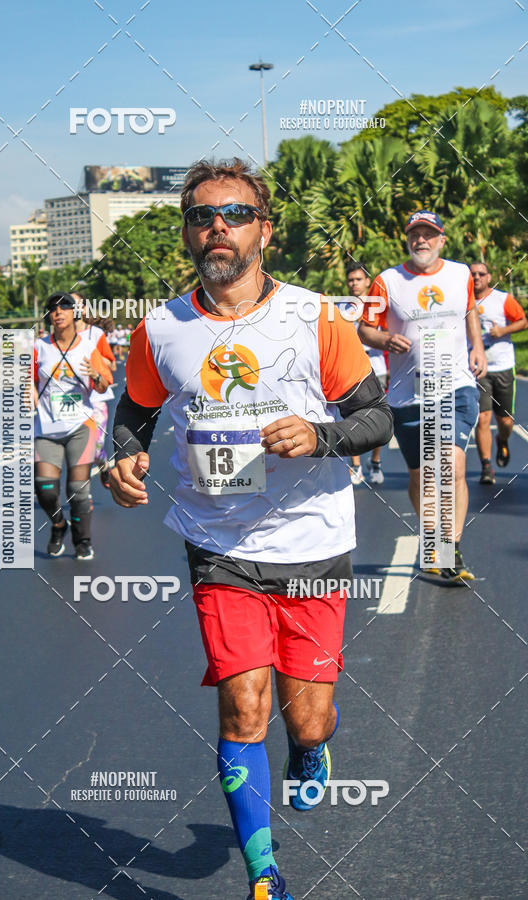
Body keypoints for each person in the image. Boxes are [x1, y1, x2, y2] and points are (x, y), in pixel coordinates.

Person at [110, 159, 393, 900]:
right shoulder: (161, 327)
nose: (219, 228)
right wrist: (123, 459)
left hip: (312, 545)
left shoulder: (314, 318)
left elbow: (376, 418)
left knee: (309, 721)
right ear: (188, 232)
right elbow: (132, 416)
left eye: (236, 214)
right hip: (220, 547)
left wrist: (319, 436)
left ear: (264, 229)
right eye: (204, 215)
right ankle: (264, 876)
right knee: (243, 706)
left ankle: (310, 753)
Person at [359, 210, 487, 583]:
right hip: (407, 393)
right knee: (422, 476)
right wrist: (385, 339)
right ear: (407, 239)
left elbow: (469, 312)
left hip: (456, 383)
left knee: (452, 465)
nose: (422, 241)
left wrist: (477, 346)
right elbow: (365, 329)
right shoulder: (387, 281)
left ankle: (450, 546)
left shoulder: (460, 273)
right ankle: (431, 536)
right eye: (415, 234)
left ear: (441, 240)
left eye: (429, 235)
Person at [33, 292, 110, 560]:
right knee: (45, 489)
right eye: (52, 308)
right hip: (46, 427)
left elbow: (103, 384)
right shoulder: (38, 347)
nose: (58, 312)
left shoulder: (88, 348)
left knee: (77, 491)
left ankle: (82, 540)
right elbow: (28, 380)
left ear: (73, 313)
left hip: (81, 426)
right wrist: (29, 392)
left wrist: (96, 375)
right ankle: (58, 525)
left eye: (64, 307)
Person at [469, 262, 527, 484]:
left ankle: (502, 440)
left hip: (503, 365)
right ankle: (486, 466)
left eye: (481, 274)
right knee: (482, 417)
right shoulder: (464, 301)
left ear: (489, 276)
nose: (477, 278)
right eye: (473, 274)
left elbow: (522, 321)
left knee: (505, 421)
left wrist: (502, 330)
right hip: (477, 368)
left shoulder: (502, 299)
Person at [343, 262, 388, 485]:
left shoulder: (378, 306)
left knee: (379, 419)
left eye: (358, 279)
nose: (354, 284)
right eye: (351, 280)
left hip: (377, 368)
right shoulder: (341, 307)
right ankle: (356, 466)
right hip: (352, 371)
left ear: (367, 281)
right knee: (354, 419)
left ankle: (376, 463)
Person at [71, 293, 117, 488]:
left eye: (76, 304)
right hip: (70, 398)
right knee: (75, 450)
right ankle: (81, 496)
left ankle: (103, 464)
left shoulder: (95, 335)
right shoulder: (58, 336)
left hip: (96, 396)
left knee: (95, 449)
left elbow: (111, 365)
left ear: (83, 309)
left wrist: (92, 358)